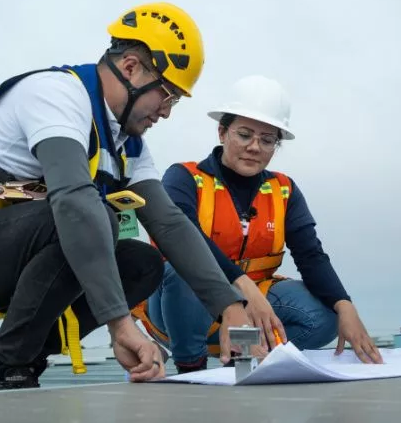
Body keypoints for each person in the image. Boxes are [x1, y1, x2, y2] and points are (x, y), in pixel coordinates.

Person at [0, 2, 255, 392]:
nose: (166, 112)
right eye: (167, 95)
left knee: (141, 263)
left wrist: (229, 307)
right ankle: (0, 368)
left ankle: (19, 361)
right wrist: (120, 324)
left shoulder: (127, 145)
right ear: (131, 68)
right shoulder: (56, 95)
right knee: (89, 217)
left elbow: (170, 224)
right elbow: (72, 201)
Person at [132, 75, 383, 373]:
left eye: (267, 140)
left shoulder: (284, 190)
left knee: (325, 317)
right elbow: (185, 240)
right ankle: (192, 367)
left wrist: (345, 305)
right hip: (182, 308)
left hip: (251, 309)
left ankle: (248, 355)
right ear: (222, 132)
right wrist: (242, 288)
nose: (254, 147)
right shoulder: (185, 178)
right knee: (183, 271)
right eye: (244, 134)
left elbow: (310, 255)